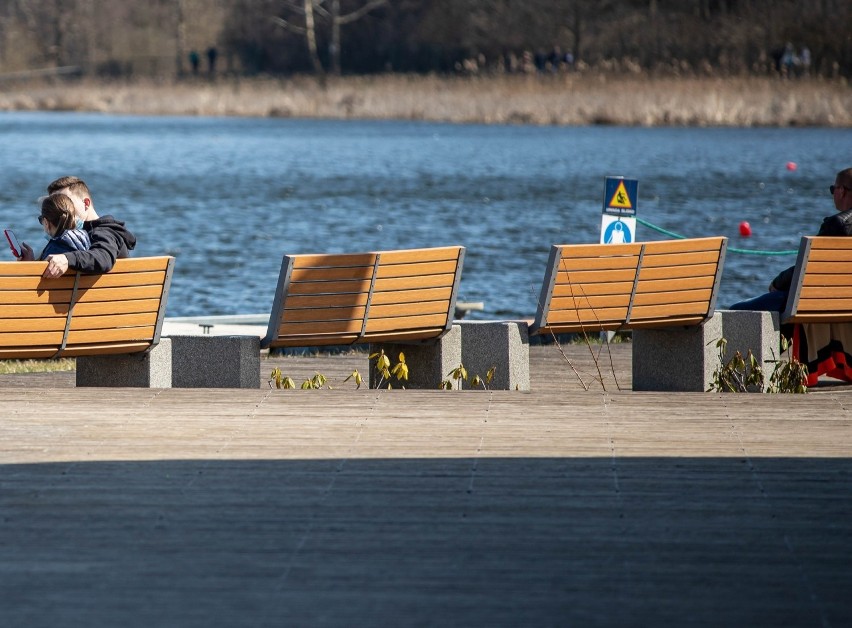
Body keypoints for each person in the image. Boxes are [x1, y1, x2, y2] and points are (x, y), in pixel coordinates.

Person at [730, 167, 852, 317]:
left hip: (825, 300)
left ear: (841, 191)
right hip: (845, 299)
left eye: (833, 189)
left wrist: (778, 283)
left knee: (735, 311)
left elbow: (809, 266)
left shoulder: (837, 224)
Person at [19, 176, 136, 278]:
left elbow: (103, 258)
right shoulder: (73, 237)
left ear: (86, 203)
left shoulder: (106, 232)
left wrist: (67, 259)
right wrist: (31, 265)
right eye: (56, 204)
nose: (60, 210)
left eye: (66, 202)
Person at [36, 192, 91, 260]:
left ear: (46, 222)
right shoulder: (85, 237)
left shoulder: (54, 249)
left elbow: (42, 270)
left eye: (41, 220)